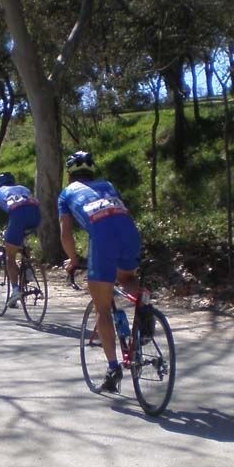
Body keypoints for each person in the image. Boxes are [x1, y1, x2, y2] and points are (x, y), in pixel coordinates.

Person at [58, 151, 145, 392]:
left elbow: (65, 234)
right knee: (127, 277)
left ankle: (113, 369)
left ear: (69, 175)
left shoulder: (66, 193)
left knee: (102, 308)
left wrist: (73, 259)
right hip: (129, 232)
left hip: (102, 238)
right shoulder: (107, 185)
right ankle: (145, 308)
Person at [0, 173, 41, 308]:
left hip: (17, 216)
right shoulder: (23, 188)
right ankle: (28, 268)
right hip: (36, 215)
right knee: (22, 238)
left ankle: (15, 290)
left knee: (10, 257)